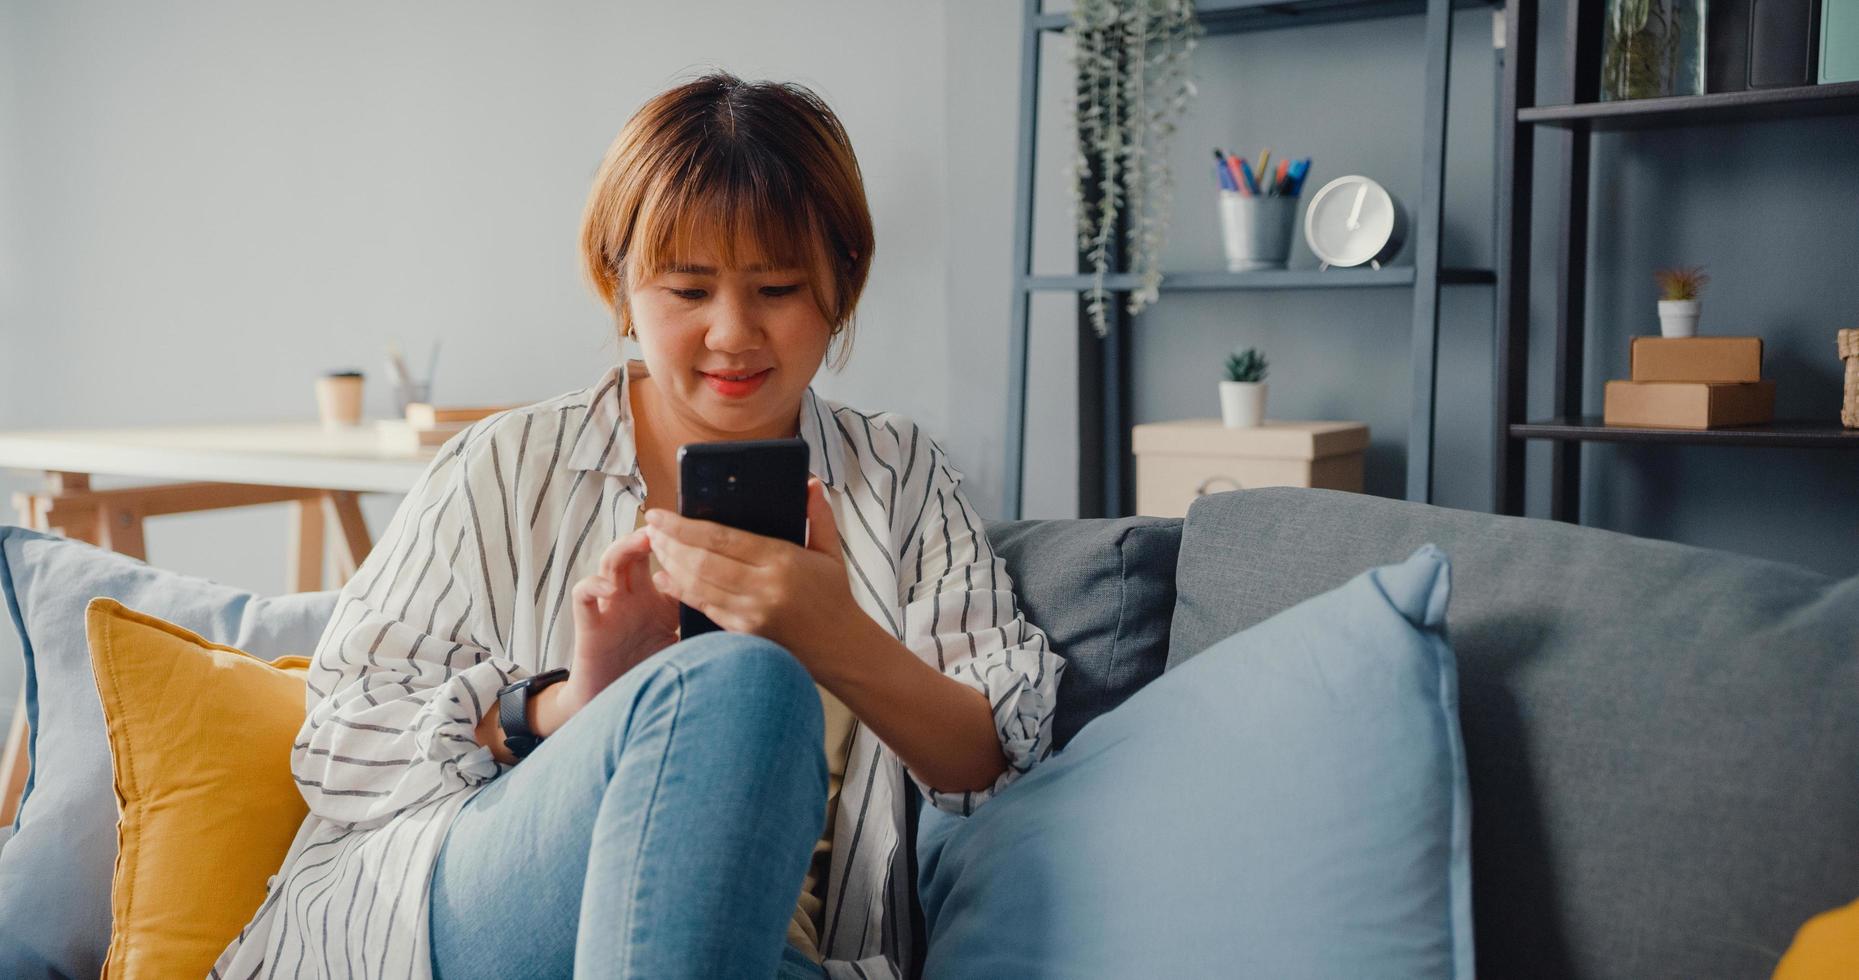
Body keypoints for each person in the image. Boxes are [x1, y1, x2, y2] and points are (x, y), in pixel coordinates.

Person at [210, 71, 1064, 980]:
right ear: (619, 282)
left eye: (777, 287)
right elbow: (336, 744)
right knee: (739, 686)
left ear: (841, 282)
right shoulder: (503, 464)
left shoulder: (898, 476)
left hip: (765, 957)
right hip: (455, 929)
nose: (733, 334)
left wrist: (835, 635)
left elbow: (998, 759)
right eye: (688, 291)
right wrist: (572, 705)